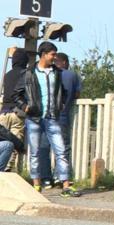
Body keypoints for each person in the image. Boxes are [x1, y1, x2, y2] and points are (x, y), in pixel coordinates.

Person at [13, 41, 80, 197]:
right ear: (44, 54)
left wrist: (61, 103)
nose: (54, 57)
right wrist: (26, 107)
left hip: (52, 117)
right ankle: (36, 184)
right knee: (35, 152)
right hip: (34, 118)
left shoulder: (57, 72)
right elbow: (16, 94)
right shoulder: (29, 73)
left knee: (61, 150)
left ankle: (66, 185)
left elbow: (62, 91)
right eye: (52, 54)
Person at [40, 52, 82, 188]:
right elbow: (76, 94)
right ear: (65, 62)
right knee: (63, 148)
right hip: (62, 116)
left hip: (46, 116)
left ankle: (46, 179)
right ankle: (60, 176)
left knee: (44, 147)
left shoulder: (48, 74)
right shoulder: (73, 75)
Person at [0, 48, 28, 172]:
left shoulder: (7, 75)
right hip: (18, 112)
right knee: (14, 142)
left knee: (4, 139)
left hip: (4, 112)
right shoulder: (26, 74)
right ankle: (8, 169)